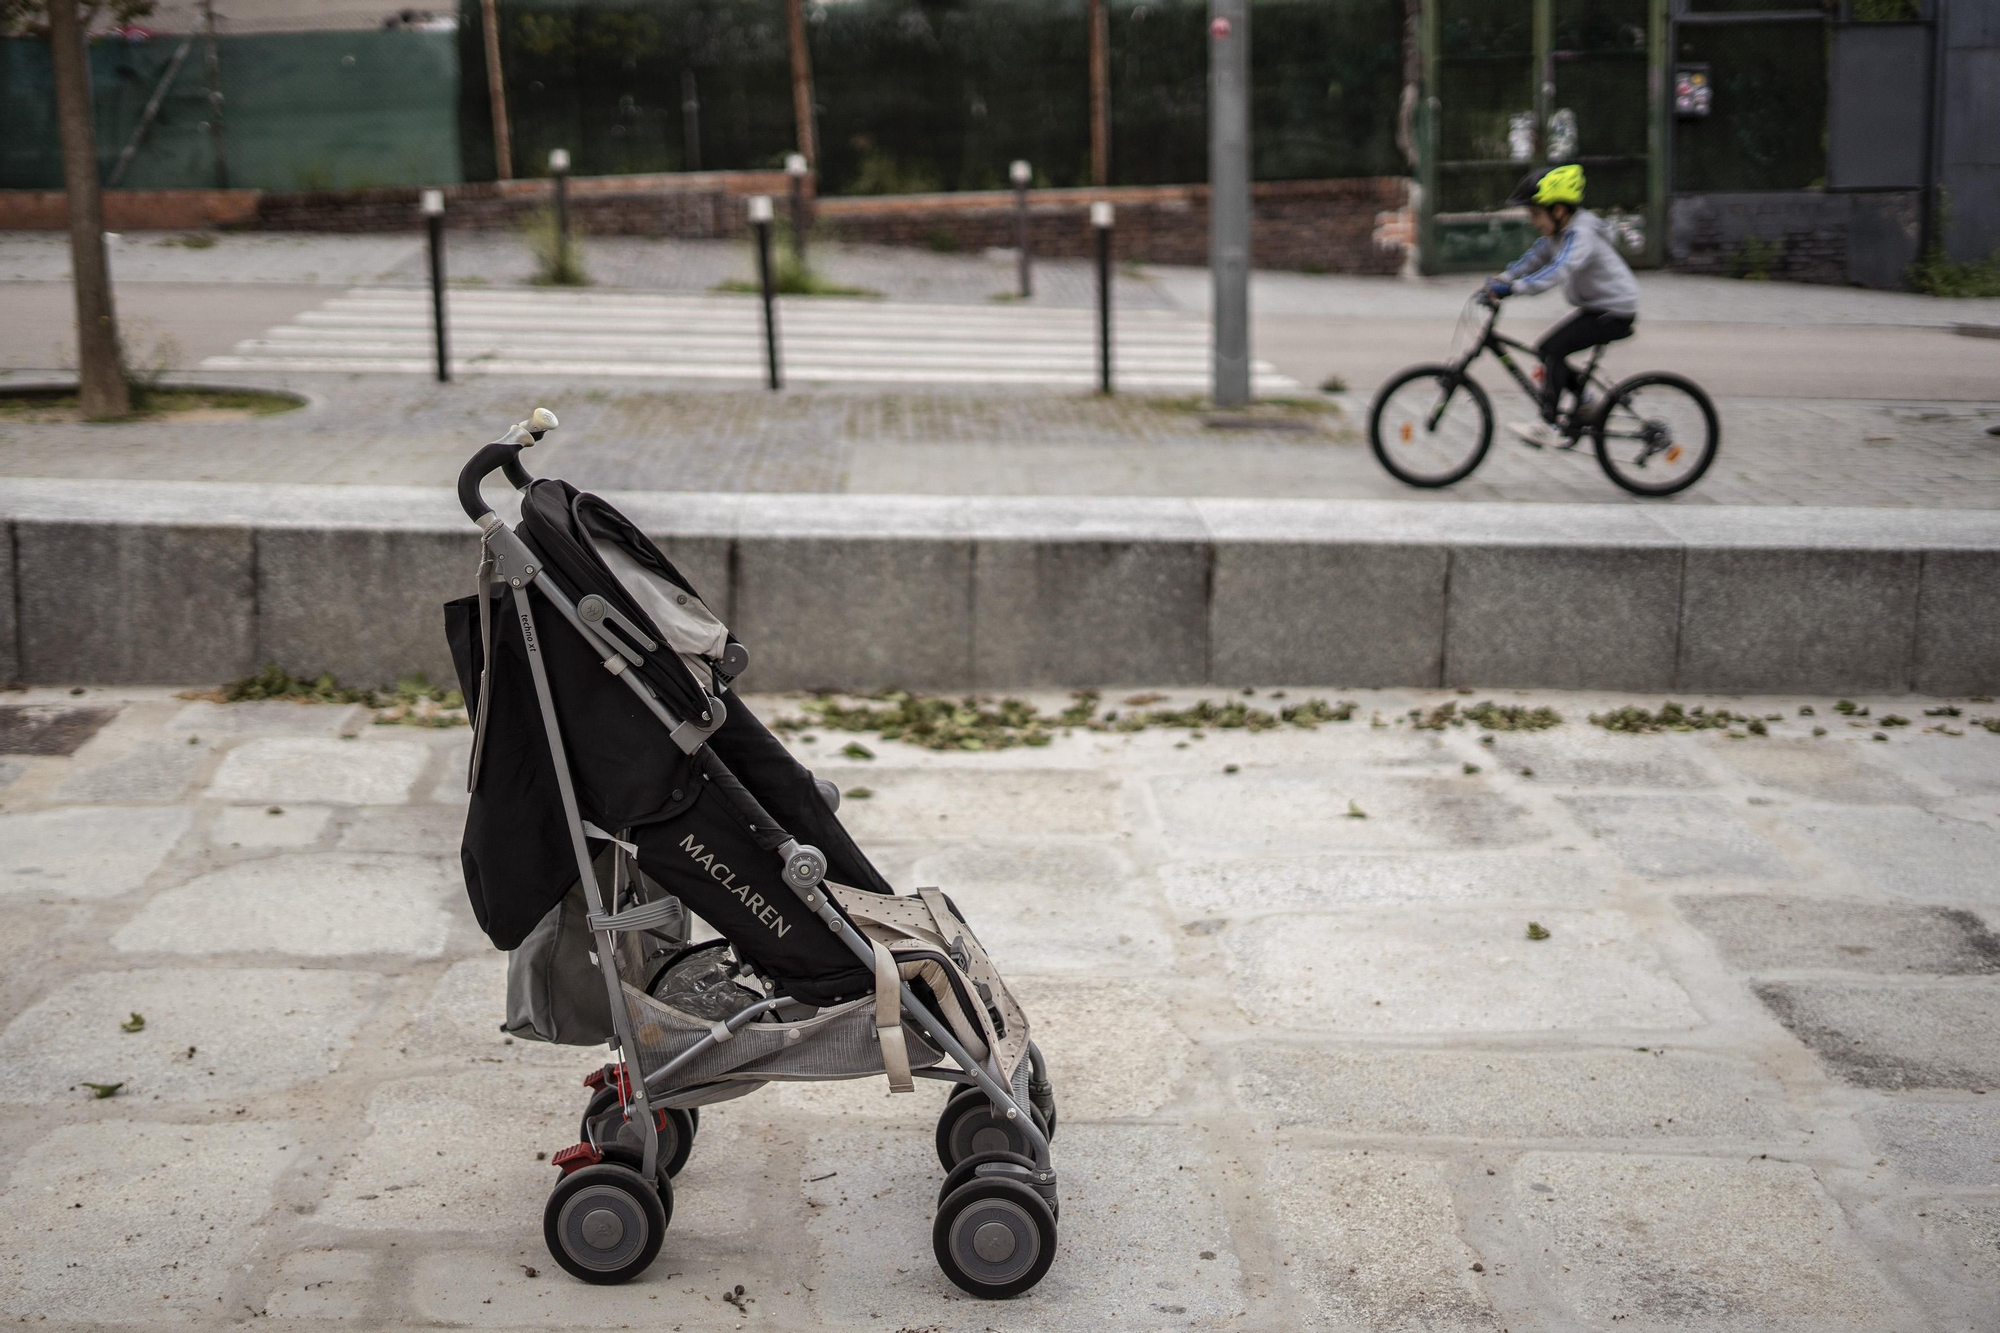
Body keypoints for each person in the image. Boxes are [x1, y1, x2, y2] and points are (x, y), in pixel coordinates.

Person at [1484, 164, 1640, 448]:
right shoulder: (1559, 233)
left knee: (1552, 349)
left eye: (1535, 214)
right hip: (1598, 307)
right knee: (1548, 350)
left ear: (1558, 211)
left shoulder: (1581, 234)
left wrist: (1515, 288)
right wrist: (1503, 278)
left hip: (1615, 310)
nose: (1533, 221)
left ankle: (1547, 424)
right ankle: (1586, 403)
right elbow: (1535, 258)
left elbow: (1560, 269)